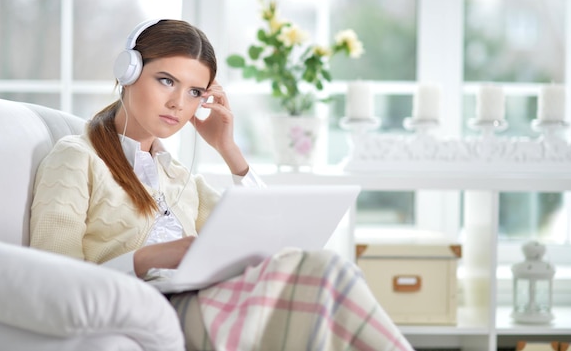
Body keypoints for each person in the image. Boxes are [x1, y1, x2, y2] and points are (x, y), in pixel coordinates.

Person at [29, 19, 414, 351]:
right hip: (148, 307)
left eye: (195, 92)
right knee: (322, 275)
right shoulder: (76, 158)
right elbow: (54, 282)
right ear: (127, 72)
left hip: (202, 298)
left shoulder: (179, 178)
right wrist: (151, 257)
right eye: (166, 80)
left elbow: (273, 237)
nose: (179, 103)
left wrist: (228, 150)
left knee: (322, 273)